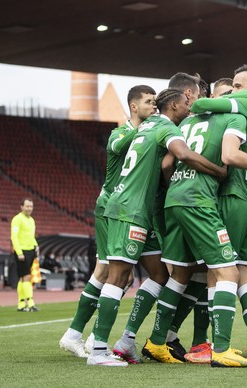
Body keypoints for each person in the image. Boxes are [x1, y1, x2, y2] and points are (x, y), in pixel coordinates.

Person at [87, 88, 227, 367]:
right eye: (186, 104)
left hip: (133, 208)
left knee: (159, 274)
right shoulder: (164, 125)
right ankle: (98, 350)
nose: (190, 109)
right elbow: (183, 154)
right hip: (130, 210)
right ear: (174, 105)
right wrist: (219, 171)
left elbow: (164, 165)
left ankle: (126, 341)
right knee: (118, 277)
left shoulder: (146, 126)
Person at [143, 106, 247, 367]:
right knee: (229, 273)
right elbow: (229, 156)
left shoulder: (185, 122)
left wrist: (175, 185)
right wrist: (219, 173)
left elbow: (166, 163)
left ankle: (156, 341)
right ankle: (221, 349)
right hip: (201, 201)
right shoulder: (234, 117)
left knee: (180, 274)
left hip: (173, 199)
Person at [59, 85, 157, 359]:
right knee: (107, 271)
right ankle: (81, 336)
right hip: (112, 208)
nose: (154, 107)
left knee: (118, 275)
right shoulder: (122, 132)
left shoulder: (147, 134)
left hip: (125, 209)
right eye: (149, 102)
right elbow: (115, 145)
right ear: (134, 107)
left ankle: (82, 335)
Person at [11, 198, 40, 312]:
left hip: (30, 250)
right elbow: (14, 237)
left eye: (31, 206)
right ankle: (31, 303)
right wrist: (19, 252)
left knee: (23, 278)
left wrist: (36, 246)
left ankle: (21, 304)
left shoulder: (32, 220)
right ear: (21, 207)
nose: (29, 209)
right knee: (27, 277)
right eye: (27, 206)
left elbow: (31, 236)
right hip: (22, 251)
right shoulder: (17, 219)